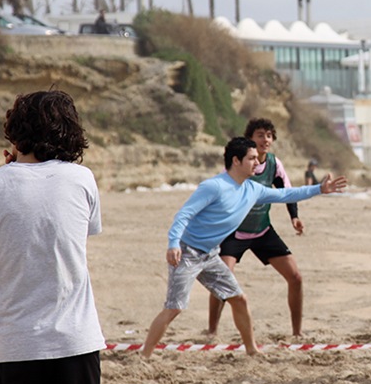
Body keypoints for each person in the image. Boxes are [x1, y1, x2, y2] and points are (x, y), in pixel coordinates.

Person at [141, 137, 347, 358]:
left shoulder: (252, 189)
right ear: (236, 161)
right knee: (175, 307)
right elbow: (184, 215)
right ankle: (144, 355)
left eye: (257, 159)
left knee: (239, 299)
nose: (257, 163)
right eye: (251, 159)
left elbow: (285, 194)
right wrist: (173, 244)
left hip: (210, 255)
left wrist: (319, 189)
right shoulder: (214, 186)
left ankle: (251, 349)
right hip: (187, 252)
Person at [0, 90, 104, 384]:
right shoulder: (82, 179)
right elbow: (73, 236)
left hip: (17, 343)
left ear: (16, 130)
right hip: (76, 341)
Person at [208, 119, 306, 338]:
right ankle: (211, 331)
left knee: (296, 277)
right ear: (250, 139)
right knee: (221, 278)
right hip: (235, 232)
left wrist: (294, 217)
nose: (266, 140)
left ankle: (297, 333)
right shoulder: (238, 163)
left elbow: (286, 191)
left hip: (262, 231)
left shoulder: (273, 164)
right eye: (260, 135)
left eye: (269, 135)